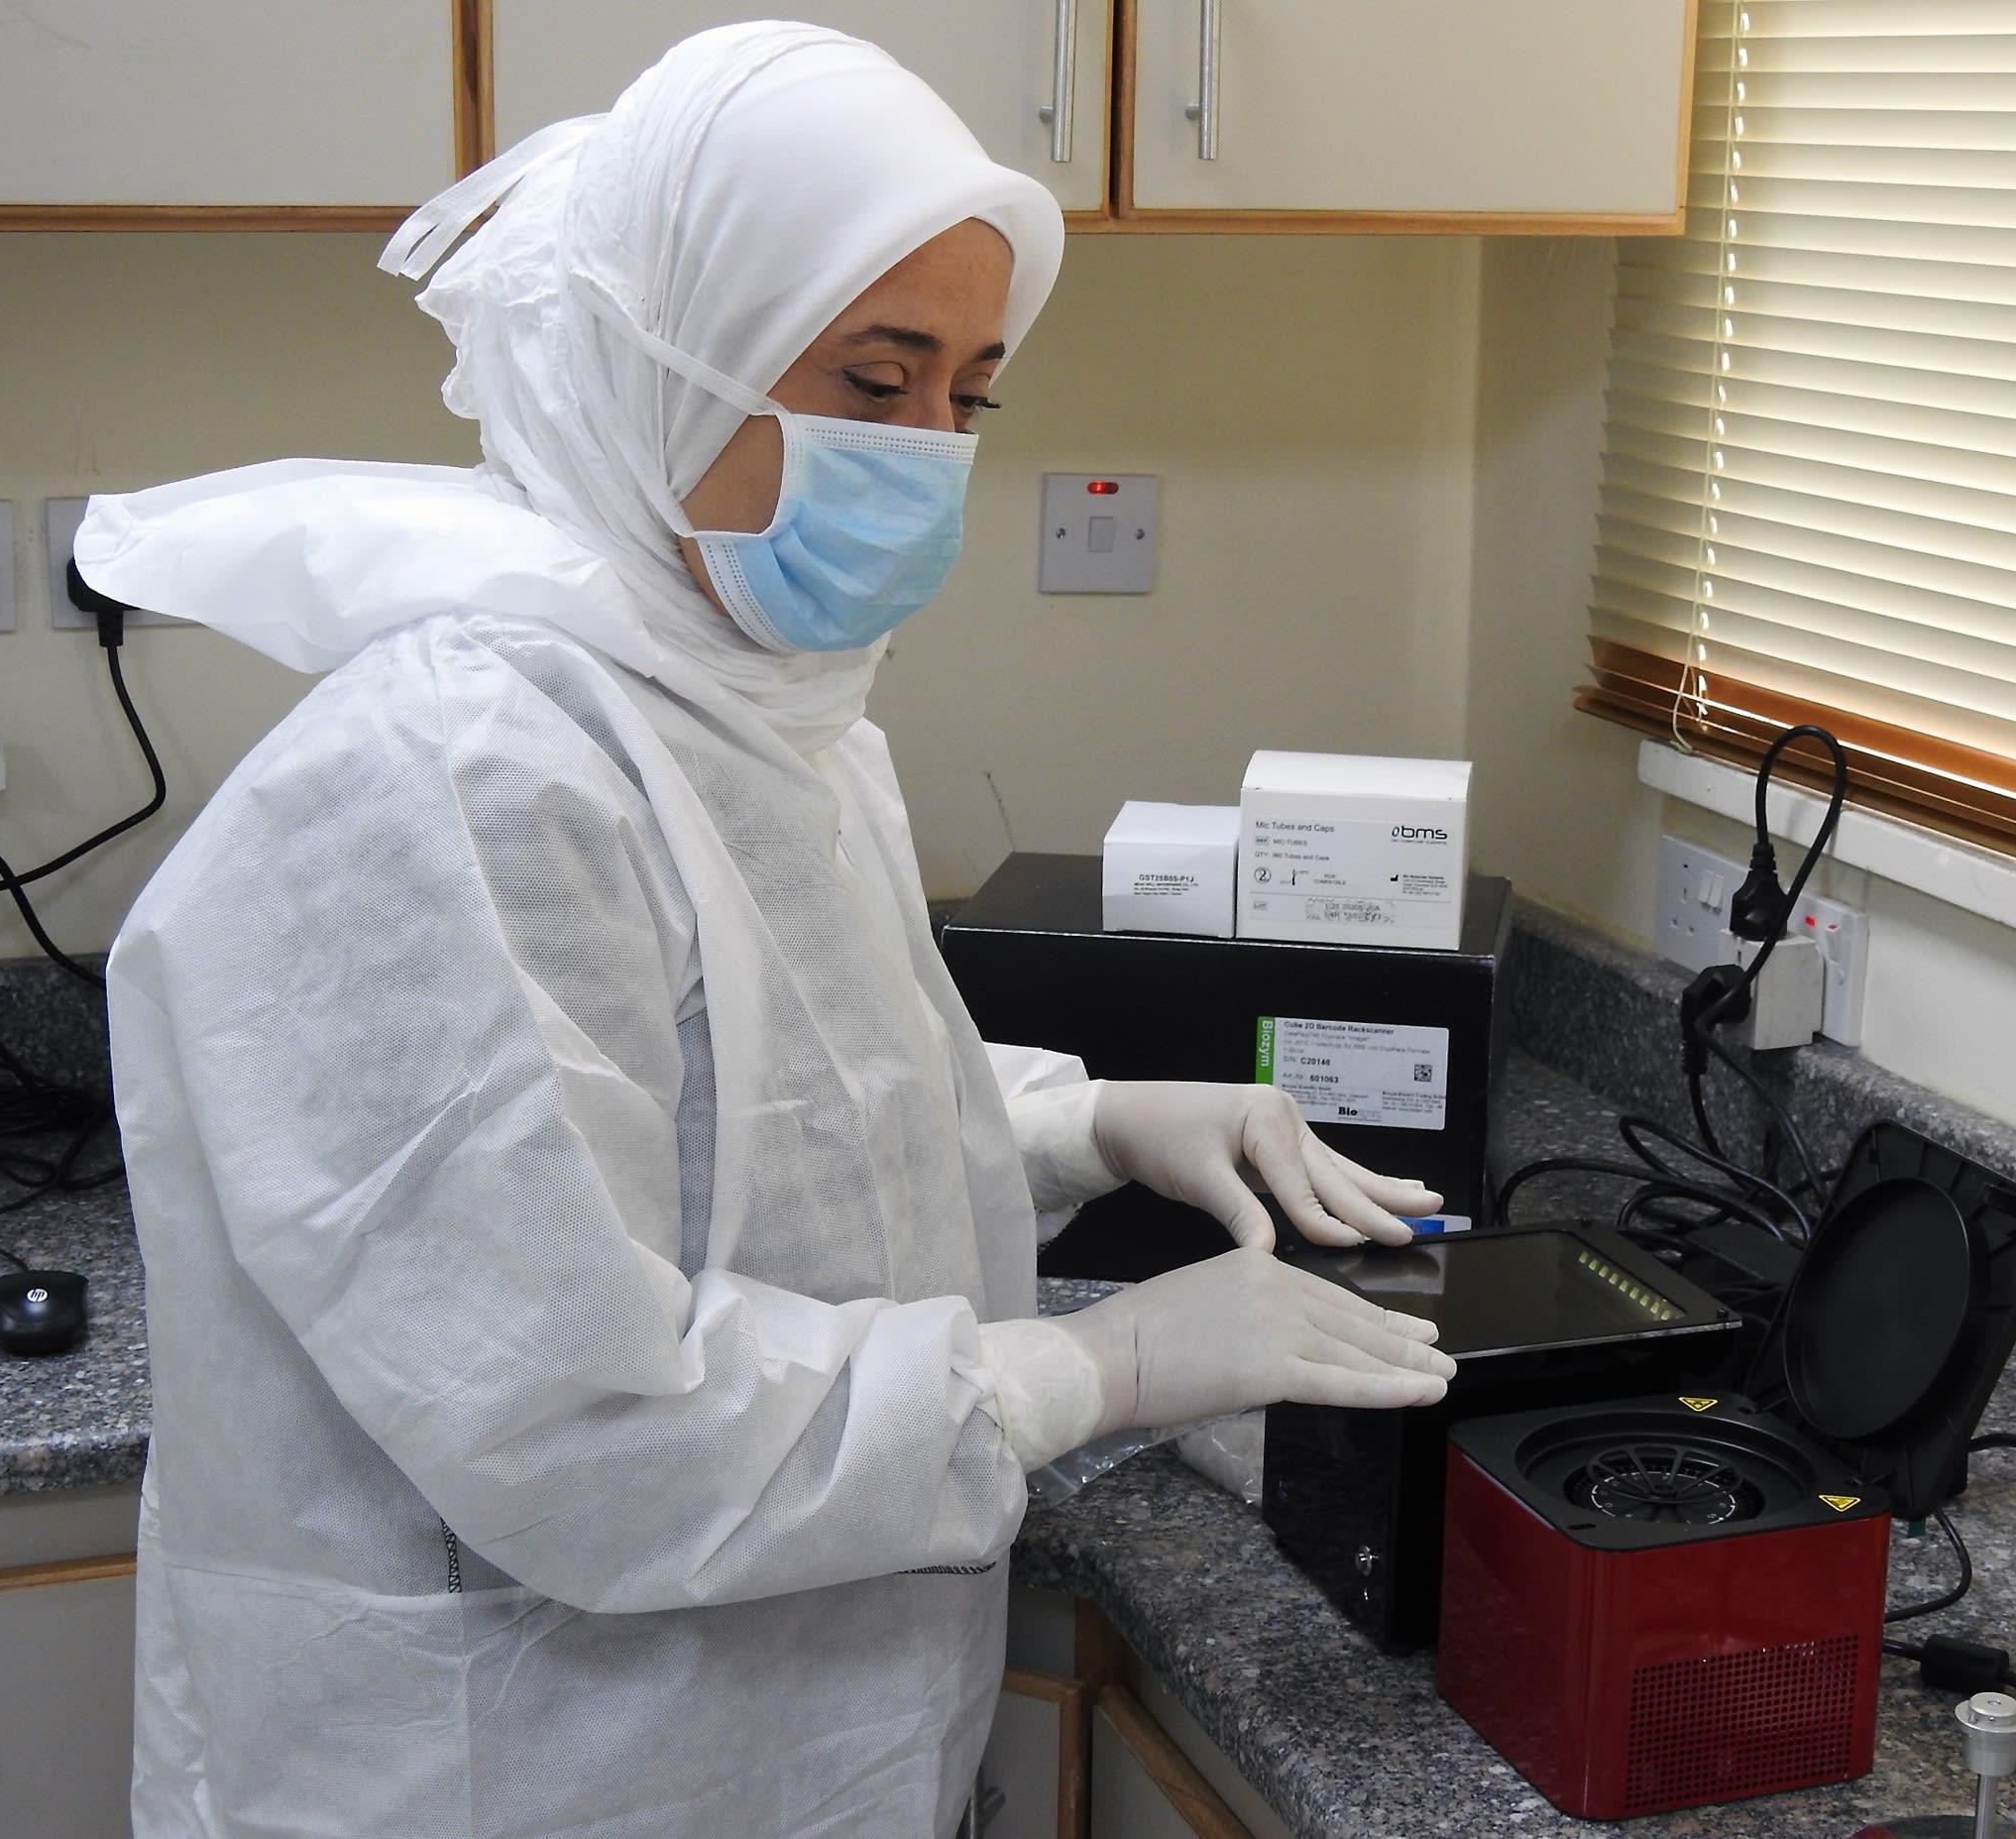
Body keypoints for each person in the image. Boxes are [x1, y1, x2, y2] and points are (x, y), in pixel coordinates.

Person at [75, 23, 1455, 1839]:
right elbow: (576, 1418)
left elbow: (789, 1092)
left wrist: (1084, 1118)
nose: (925, 456)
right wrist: (1091, 1368)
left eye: (968, 394)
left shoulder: (751, 699)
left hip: (784, 1737)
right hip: (515, 1769)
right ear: (656, 368)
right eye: (868, 380)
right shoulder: (458, 770)